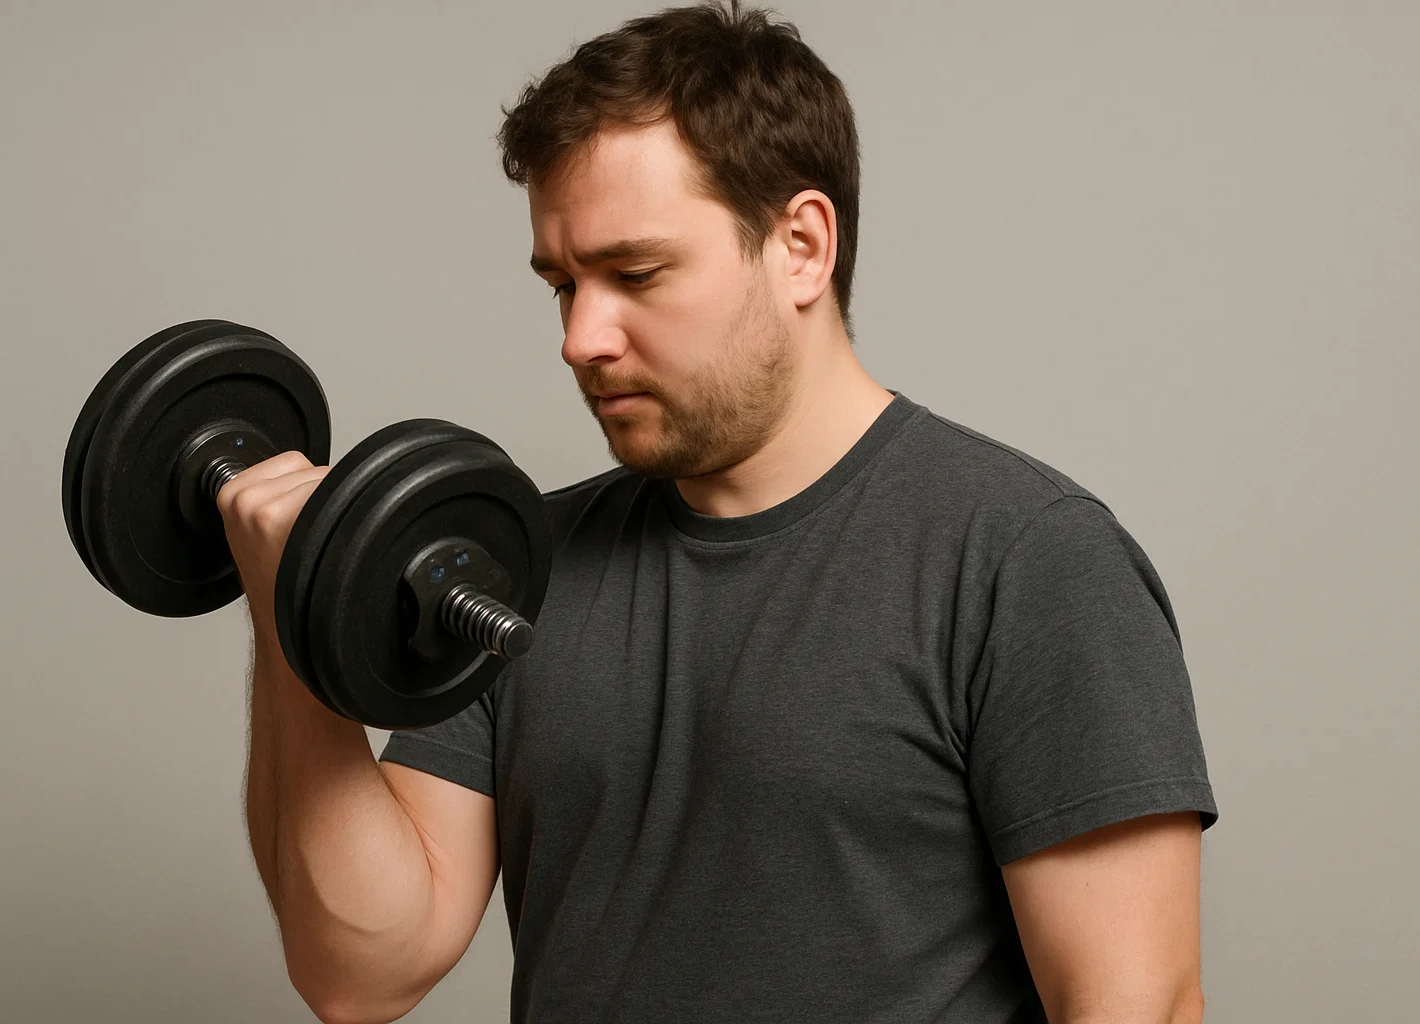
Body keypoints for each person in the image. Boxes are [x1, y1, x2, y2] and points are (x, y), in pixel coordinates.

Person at [216, 3, 1218, 1022]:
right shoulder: (518, 568)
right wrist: (292, 615)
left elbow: (1138, 1004)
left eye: (635, 273)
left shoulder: (1028, 560)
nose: (581, 338)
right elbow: (360, 971)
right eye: (563, 285)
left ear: (801, 246)